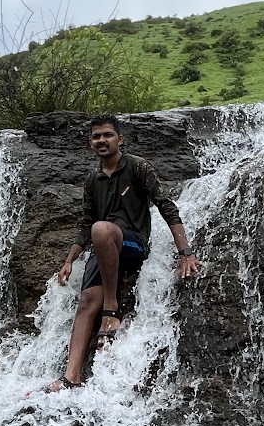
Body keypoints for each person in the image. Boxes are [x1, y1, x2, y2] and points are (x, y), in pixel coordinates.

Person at [45, 114, 200, 392]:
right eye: (96, 136)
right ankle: (71, 377)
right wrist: (69, 260)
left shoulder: (138, 167)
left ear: (120, 139)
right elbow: (86, 224)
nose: (102, 140)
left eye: (107, 135)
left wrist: (185, 252)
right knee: (86, 301)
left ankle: (111, 308)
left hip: (133, 245)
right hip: (102, 246)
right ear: (90, 143)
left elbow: (166, 206)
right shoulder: (92, 180)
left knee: (102, 229)